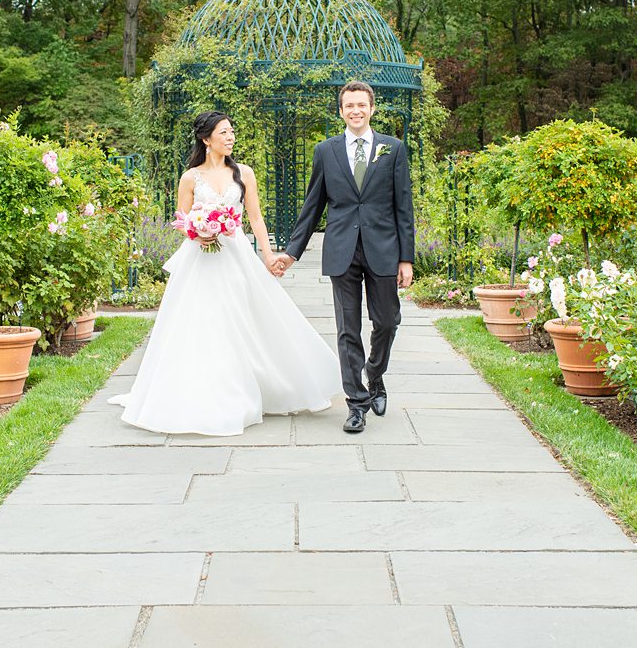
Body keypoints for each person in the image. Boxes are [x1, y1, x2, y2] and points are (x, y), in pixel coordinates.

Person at [110, 111, 341, 436]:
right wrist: (196, 231)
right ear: (207, 139)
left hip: (234, 256)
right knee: (199, 321)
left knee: (240, 317)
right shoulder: (190, 178)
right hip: (199, 261)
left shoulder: (244, 173)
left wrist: (268, 255)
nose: (230, 137)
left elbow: (257, 219)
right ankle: (199, 391)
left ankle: (249, 387)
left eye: (232, 131)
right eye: (224, 132)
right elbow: (181, 219)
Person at [273, 81, 415, 434]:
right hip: (341, 251)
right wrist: (292, 252)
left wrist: (406, 258)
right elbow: (312, 206)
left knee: (387, 322)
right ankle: (356, 403)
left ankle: (376, 375)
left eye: (361, 105)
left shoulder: (393, 149)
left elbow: (404, 208)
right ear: (341, 111)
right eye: (349, 105)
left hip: (384, 250)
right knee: (347, 330)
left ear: (372, 109)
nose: (356, 111)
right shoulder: (326, 151)